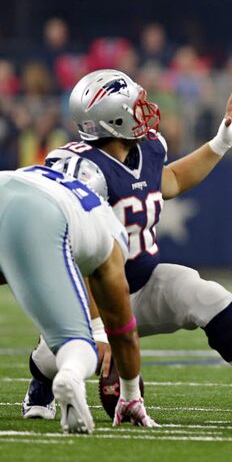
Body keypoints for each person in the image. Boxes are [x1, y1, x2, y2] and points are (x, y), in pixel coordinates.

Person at [21, 69, 232, 426]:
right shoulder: (82, 170)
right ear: (115, 118)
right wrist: (97, 328)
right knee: (62, 354)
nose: (144, 109)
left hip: (143, 282)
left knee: (210, 296)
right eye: (134, 105)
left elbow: (172, 179)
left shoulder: (148, 147)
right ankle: (42, 378)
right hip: (89, 295)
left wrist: (221, 142)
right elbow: (74, 255)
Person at [1, 165, 155, 433]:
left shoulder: (38, 173)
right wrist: (129, 393)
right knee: (78, 344)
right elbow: (123, 332)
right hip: (38, 218)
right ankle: (70, 377)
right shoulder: (104, 224)